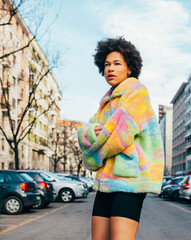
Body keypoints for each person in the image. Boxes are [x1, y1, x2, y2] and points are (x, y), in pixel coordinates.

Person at [77, 37, 164, 240]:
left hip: (129, 181)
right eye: (107, 64)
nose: (110, 68)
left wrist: (93, 154)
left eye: (117, 64)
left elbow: (119, 136)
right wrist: (90, 133)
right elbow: (85, 131)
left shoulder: (137, 92)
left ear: (129, 68)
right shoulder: (106, 100)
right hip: (106, 181)